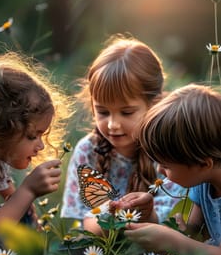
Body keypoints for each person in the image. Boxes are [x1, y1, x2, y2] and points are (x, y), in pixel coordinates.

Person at [61, 33, 184, 234]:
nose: (112, 124)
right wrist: (108, 222)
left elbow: (175, 221)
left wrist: (146, 215)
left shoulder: (169, 151)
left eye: (126, 112)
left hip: (160, 249)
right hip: (102, 248)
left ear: (154, 105)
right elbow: (83, 220)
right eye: (102, 112)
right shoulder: (88, 150)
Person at [124, 83, 221, 255]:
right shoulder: (203, 184)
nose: (159, 171)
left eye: (165, 165)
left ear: (203, 164)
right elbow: (193, 230)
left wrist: (176, 243)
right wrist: (149, 217)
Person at [0, 51, 69, 234]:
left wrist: (25, 206)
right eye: (32, 136)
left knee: (21, 215)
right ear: (0, 130)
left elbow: (17, 205)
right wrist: (28, 190)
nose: (40, 146)